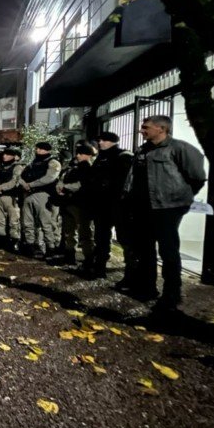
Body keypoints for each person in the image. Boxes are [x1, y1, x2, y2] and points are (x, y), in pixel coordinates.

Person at [123, 115, 206, 311]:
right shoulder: (142, 150)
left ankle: (171, 294)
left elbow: (197, 177)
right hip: (143, 208)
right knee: (144, 250)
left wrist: (179, 200)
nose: (141, 130)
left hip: (167, 209)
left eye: (146, 127)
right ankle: (147, 288)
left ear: (161, 129)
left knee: (168, 251)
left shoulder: (180, 148)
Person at [89, 132, 133, 280]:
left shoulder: (124, 156)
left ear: (112, 141)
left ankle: (130, 273)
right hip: (102, 204)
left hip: (119, 205)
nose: (100, 143)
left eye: (103, 140)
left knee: (124, 238)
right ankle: (99, 267)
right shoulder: (101, 157)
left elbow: (124, 182)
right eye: (99, 140)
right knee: (101, 237)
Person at [53, 145, 95, 268]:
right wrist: (60, 187)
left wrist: (64, 187)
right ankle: (70, 255)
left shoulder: (89, 169)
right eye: (78, 153)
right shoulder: (73, 168)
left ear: (89, 155)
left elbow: (82, 185)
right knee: (69, 232)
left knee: (85, 233)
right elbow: (62, 178)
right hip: (69, 202)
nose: (78, 156)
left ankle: (88, 259)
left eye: (81, 154)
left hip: (81, 204)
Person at [19, 142, 62, 258]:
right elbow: (21, 176)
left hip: (44, 195)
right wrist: (24, 184)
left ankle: (50, 249)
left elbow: (49, 178)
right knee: (28, 223)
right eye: (37, 148)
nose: (37, 150)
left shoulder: (53, 162)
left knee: (46, 224)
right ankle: (30, 246)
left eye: (39, 149)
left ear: (46, 150)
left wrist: (31, 184)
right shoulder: (32, 163)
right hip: (28, 195)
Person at [0, 148, 24, 252]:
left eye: (7, 154)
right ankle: (1, 240)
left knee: (13, 221)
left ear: (13, 156)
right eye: (4, 154)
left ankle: (14, 242)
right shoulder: (0, 166)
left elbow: (14, 181)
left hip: (11, 197)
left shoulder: (17, 167)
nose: (4, 156)